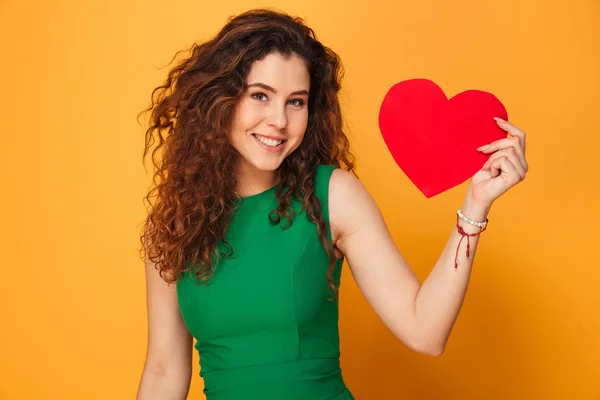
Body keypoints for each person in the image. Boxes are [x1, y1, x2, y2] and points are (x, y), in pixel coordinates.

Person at [135, 8, 529, 400]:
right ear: (219, 100)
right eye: (260, 95)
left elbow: (425, 331)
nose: (279, 120)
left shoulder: (331, 195)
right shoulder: (175, 221)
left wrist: (474, 207)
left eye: (296, 102)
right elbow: (164, 371)